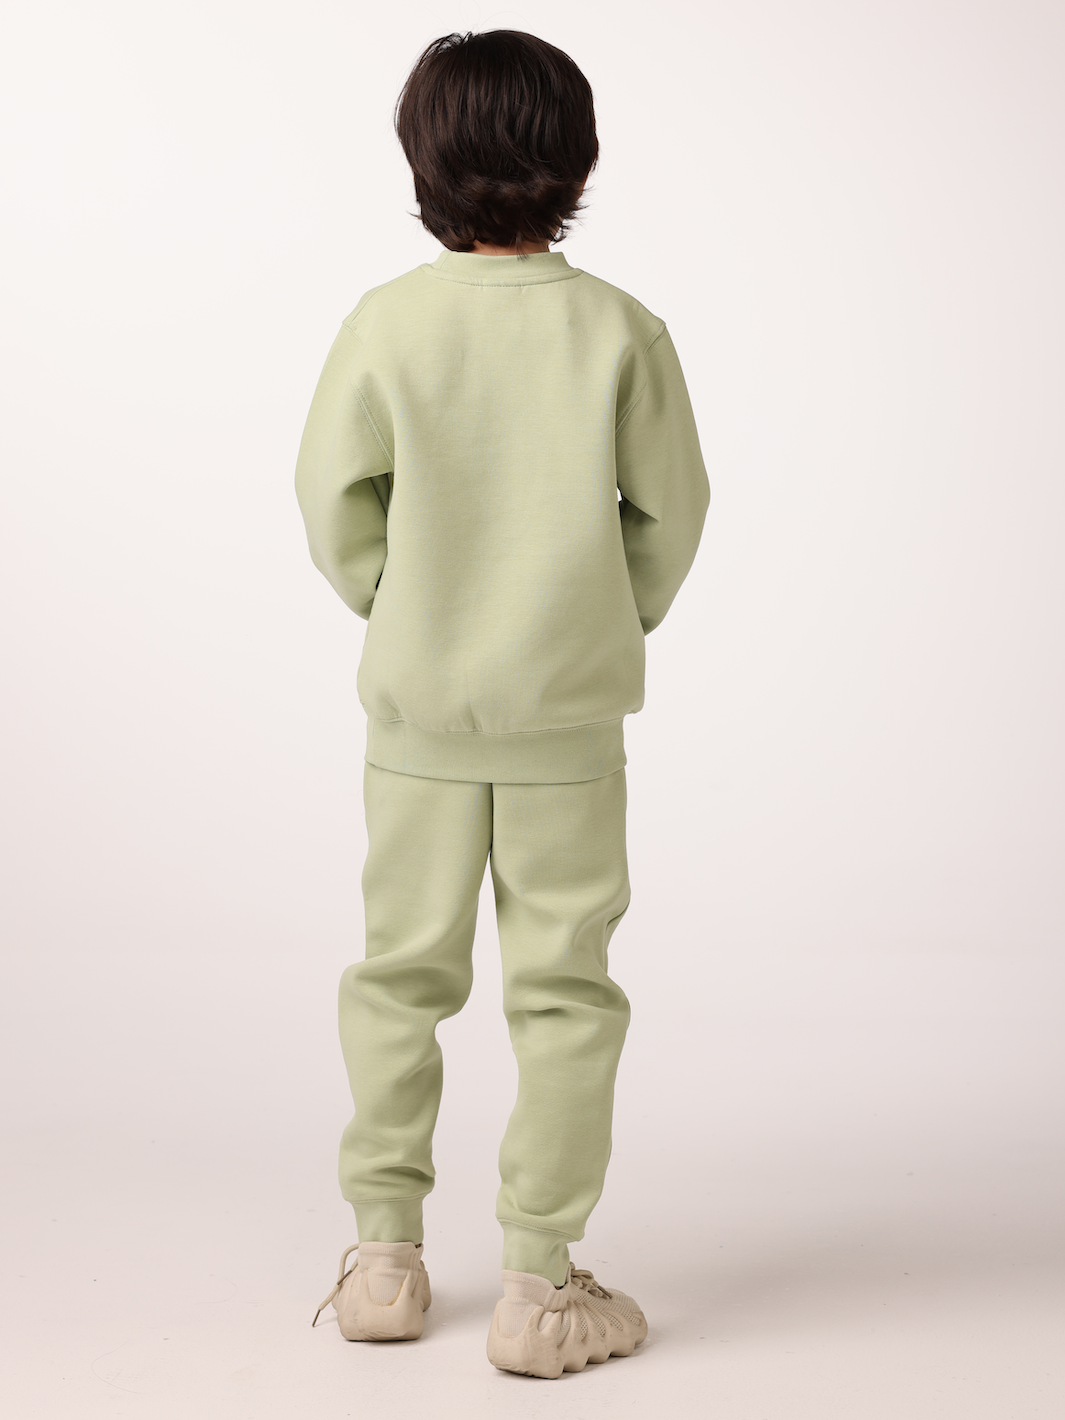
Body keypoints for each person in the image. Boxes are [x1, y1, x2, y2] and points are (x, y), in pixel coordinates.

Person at [297, 28, 709, 1379]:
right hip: (566, 732)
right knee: (566, 994)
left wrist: (402, 604)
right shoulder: (621, 330)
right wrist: (600, 619)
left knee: (397, 976)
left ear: (423, 162)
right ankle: (540, 1281)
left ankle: (383, 1261)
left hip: (417, 728)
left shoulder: (386, 323)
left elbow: (332, 502)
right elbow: (674, 512)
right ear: (578, 163)